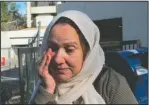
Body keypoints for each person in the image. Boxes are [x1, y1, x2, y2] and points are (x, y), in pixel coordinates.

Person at [30, 10, 138, 104]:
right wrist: (47, 91)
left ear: (87, 52)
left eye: (69, 50)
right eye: (53, 48)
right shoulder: (46, 83)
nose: (58, 59)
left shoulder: (109, 84)